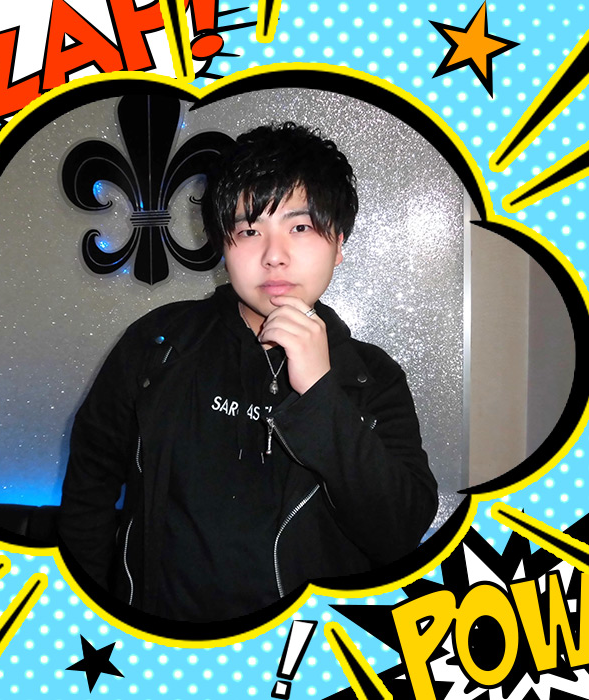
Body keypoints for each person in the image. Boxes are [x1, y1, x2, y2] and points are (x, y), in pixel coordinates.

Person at [58, 122, 438, 622]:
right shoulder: (157, 346)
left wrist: (321, 394)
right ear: (223, 244)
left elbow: (398, 534)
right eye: (249, 231)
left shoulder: (372, 376)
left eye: (300, 228)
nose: (274, 256)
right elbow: (88, 491)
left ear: (339, 244)